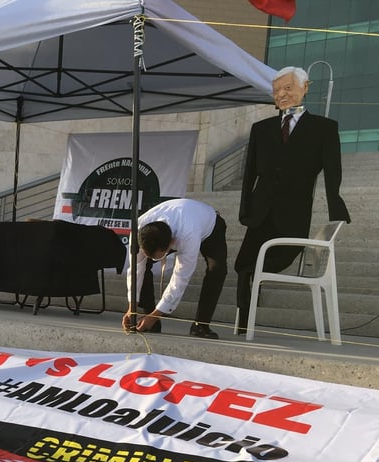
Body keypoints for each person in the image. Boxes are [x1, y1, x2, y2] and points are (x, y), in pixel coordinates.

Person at [235, 66, 350, 334]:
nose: (282, 94)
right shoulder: (261, 129)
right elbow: (249, 173)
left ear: (305, 87)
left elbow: (334, 172)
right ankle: (244, 324)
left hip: (293, 215)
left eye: (288, 88)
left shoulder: (324, 129)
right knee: (243, 266)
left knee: (265, 263)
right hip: (260, 212)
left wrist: (336, 205)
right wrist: (245, 210)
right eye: (276, 90)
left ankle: (249, 316)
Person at [122, 198, 227, 339]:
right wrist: (131, 307)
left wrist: (156, 314)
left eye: (158, 257)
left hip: (210, 226)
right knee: (142, 265)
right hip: (183, 219)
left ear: (170, 244)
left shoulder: (188, 235)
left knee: (217, 270)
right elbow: (136, 270)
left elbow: (180, 279)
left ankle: (201, 325)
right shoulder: (140, 229)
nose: (154, 260)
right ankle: (149, 318)